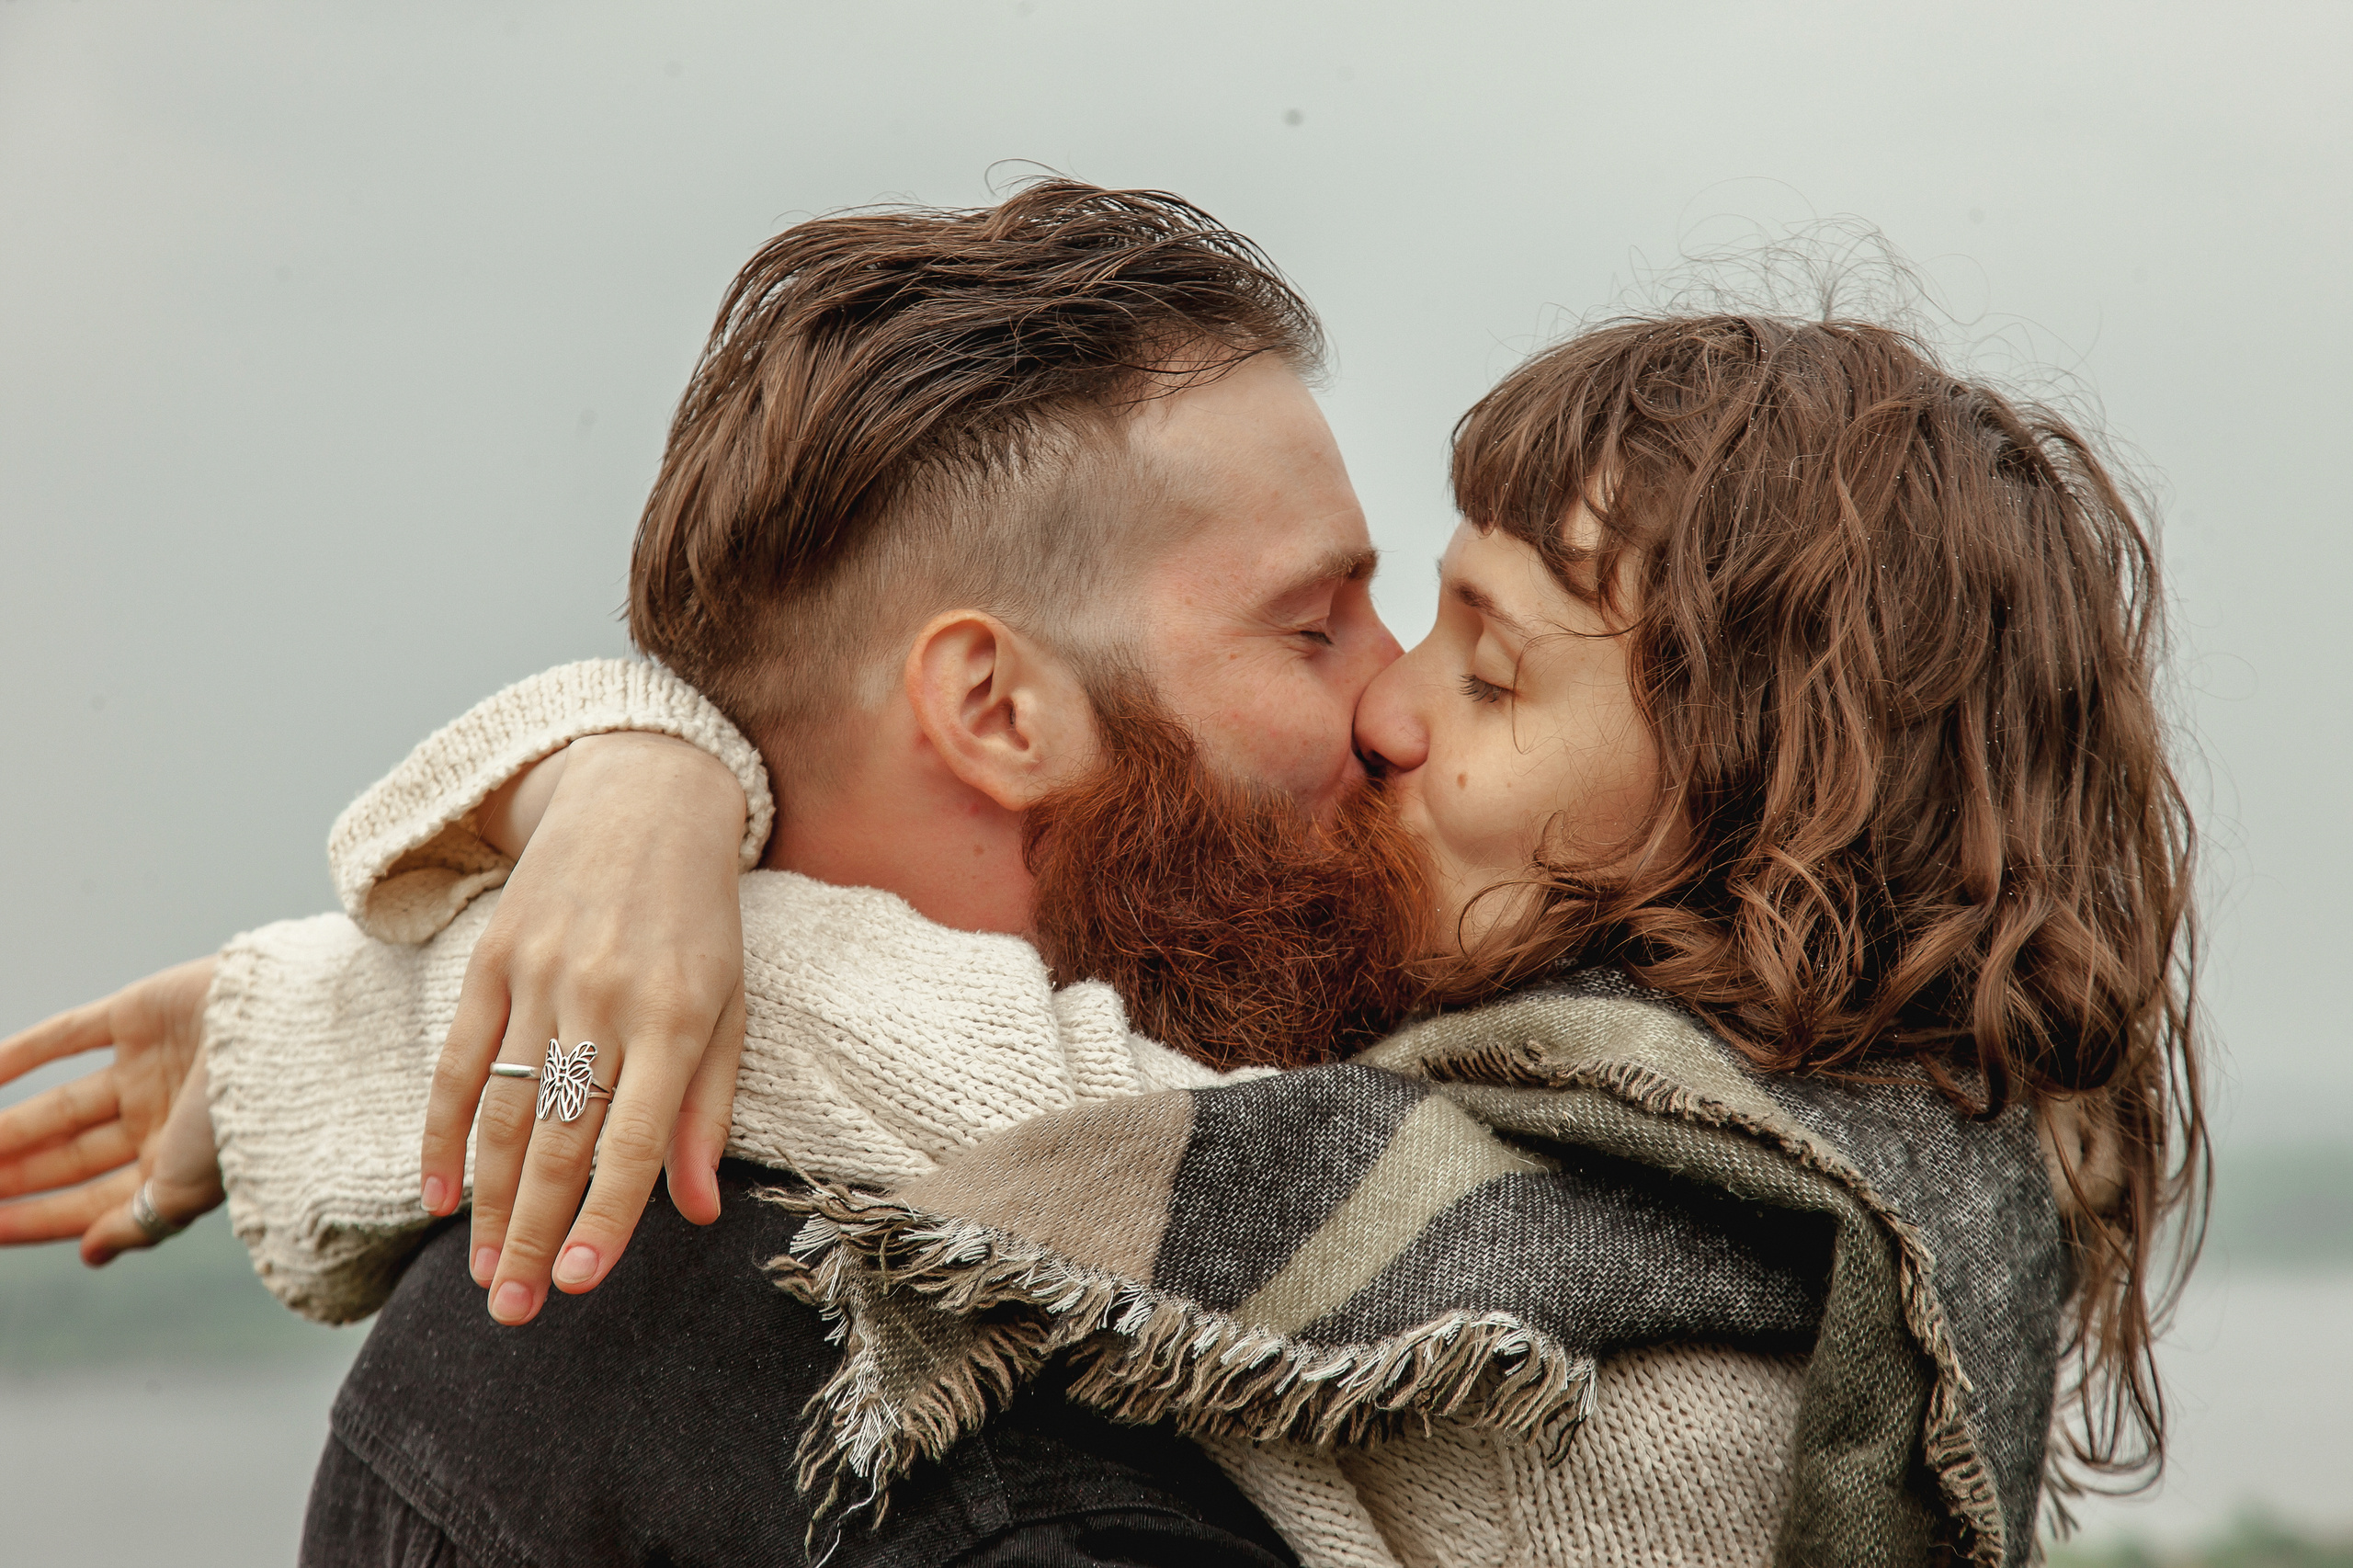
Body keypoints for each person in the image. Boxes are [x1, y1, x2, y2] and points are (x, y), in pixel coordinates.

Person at [2, 198, 2205, 1567]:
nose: (1389, 715)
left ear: (1747, 785)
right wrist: (620, 787)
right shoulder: (1841, 1175)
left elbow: (928, 1055)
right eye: (1327, 622)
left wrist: (592, 819)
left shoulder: (1570, 1229)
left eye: (1476, 659)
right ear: (992, 709)